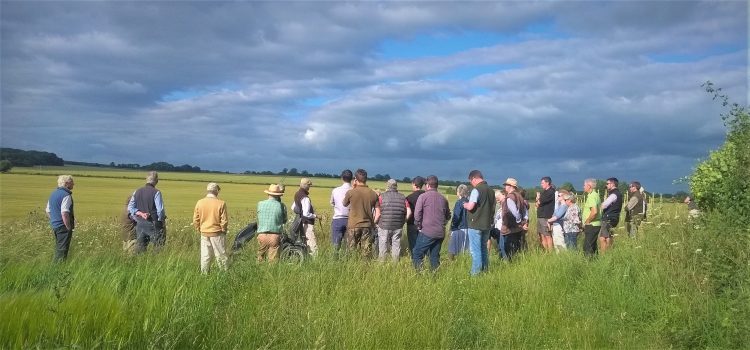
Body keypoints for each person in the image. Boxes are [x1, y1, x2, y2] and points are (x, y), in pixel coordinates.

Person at [412, 175, 450, 272]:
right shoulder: (443, 199)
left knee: (417, 253)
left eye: (425, 184)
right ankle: (435, 277)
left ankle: (419, 275)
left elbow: (417, 214)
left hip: (427, 231)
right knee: (434, 255)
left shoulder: (423, 197)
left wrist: (418, 225)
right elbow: (448, 216)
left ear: (428, 185)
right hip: (440, 233)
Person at [342, 169, 380, 258]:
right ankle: (365, 270)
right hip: (367, 226)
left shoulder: (351, 192)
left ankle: (351, 268)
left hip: (353, 225)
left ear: (355, 179)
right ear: (366, 179)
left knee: (351, 252)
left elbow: (344, 203)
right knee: (366, 253)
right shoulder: (373, 194)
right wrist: (373, 224)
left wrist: (353, 187)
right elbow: (378, 213)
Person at [193, 182, 229, 273]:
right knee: (221, 255)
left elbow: (195, 219)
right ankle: (223, 274)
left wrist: (199, 229)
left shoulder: (200, 202)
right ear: (216, 191)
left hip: (204, 232)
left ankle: (204, 274)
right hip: (217, 233)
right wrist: (223, 230)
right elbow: (224, 220)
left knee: (205, 255)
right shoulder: (221, 203)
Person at [463, 170, 494, 275]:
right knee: (484, 249)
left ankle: (475, 275)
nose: (471, 183)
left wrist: (465, 205)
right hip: (487, 224)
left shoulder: (476, 190)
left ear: (474, 178)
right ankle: (485, 271)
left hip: (475, 224)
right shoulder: (491, 190)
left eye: (471, 181)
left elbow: (471, 206)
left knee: (475, 251)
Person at [128, 171, 167, 254]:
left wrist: (140, 213)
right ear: (156, 181)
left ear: (146, 180)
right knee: (158, 248)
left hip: (140, 224)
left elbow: (130, 207)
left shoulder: (137, 191)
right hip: (153, 224)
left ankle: (141, 265)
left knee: (141, 250)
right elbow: (160, 211)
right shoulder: (156, 192)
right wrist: (162, 222)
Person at [376, 179, 410, 262]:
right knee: (396, 244)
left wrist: (376, 222)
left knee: (383, 243)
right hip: (398, 225)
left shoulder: (381, 197)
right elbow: (409, 212)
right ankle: (395, 263)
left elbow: (378, 212)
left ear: (387, 186)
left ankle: (382, 262)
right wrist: (404, 221)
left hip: (384, 225)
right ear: (396, 186)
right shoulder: (403, 197)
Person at [46, 175, 75, 262]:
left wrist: (54, 220)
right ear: (66, 184)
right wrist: (68, 227)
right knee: (62, 250)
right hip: (63, 226)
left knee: (59, 247)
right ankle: (58, 269)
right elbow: (64, 212)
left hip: (55, 225)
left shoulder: (53, 193)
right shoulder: (66, 195)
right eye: (72, 182)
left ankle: (56, 268)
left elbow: (47, 210)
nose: (73, 184)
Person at [256, 184, 287, 262]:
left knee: (260, 259)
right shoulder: (281, 206)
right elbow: (284, 220)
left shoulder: (260, 204)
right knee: (273, 261)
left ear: (268, 194)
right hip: (274, 235)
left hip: (262, 234)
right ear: (278, 195)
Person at [500, 178, 527, 261]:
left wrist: (518, 221)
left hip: (509, 228)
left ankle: (510, 266)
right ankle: (515, 264)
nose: (505, 187)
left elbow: (515, 212)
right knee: (515, 249)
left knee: (508, 250)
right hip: (518, 228)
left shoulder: (510, 197)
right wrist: (522, 222)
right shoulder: (519, 196)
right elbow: (525, 213)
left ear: (511, 186)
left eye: (506, 185)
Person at [292, 178, 318, 256]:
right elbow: (306, 214)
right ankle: (314, 260)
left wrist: (299, 213)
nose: (309, 187)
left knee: (304, 241)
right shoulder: (305, 197)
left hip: (300, 222)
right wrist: (316, 216)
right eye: (309, 185)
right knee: (312, 243)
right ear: (306, 186)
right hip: (307, 223)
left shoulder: (297, 194)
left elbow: (293, 207)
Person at [330, 170, 353, 256]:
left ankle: (334, 262)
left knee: (336, 244)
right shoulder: (354, 190)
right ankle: (347, 261)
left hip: (338, 219)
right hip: (351, 220)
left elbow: (332, 203)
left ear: (342, 178)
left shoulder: (335, 190)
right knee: (349, 245)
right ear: (351, 179)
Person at [599, 177, 623, 252]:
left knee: (603, 237)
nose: (606, 185)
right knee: (609, 236)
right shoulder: (618, 193)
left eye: (607, 184)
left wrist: (600, 205)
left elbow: (604, 205)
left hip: (608, 217)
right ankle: (609, 252)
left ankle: (604, 255)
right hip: (614, 217)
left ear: (612, 184)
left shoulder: (614, 194)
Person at [448, 184, 470, 260]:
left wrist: (452, 228)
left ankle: (453, 265)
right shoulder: (470, 202)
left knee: (453, 250)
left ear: (459, 192)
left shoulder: (459, 203)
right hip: (469, 228)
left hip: (459, 228)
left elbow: (456, 217)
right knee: (465, 250)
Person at [405, 176, 426, 257]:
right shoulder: (426, 196)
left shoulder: (409, 198)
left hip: (412, 224)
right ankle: (423, 258)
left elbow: (406, 211)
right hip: (424, 224)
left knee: (413, 245)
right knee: (423, 244)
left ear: (414, 184)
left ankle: (415, 261)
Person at [582, 178, 602, 257]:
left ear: (589, 186)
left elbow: (594, 211)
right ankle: (595, 262)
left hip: (592, 225)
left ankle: (587, 264)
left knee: (587, 247)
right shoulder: (594, 195)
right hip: (594, 224)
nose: (583, 187)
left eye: (584, 185)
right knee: (593, 246)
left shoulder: (592, 196)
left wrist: (587, 221)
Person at [535, 176, 556, 252]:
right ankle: (546, 251)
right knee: (541, 234)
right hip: (540, 216)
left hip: (546, 216)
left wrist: (538, 199)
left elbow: (539, 202)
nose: (541, 184)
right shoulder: (544, 192)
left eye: (542, 183)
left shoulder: (551, 192)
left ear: (547, 183)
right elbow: (537, 204)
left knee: (547, 235)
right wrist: (538, 200)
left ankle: (550, 253)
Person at [491, 189, 508, 260]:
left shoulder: (506, 205)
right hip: (498, 229)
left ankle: (506, 262)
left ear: (503, 195)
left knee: (502, 247)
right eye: (496, 199)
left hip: (503, 229)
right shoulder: (500, 207)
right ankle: (501, 259)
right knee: (500, 246)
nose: (497, 200)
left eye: (498, 197)